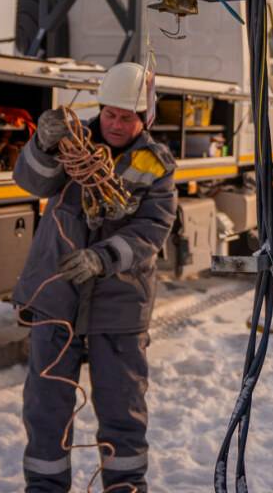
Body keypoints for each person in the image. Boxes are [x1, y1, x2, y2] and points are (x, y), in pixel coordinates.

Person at [13, 62, 177, 491]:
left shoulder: (155, 164)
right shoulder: (71, 144)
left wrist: (102, 259)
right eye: (110, 114)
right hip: (56, 301)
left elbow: (152, 230)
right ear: (100, 109)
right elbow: (31, 181)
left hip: (118, 308)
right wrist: (42, 145)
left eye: (127, 117)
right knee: (46, 409)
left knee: (123, 410)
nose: (117, 124)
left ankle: (125, 487)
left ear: (145, 119)